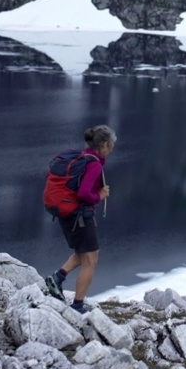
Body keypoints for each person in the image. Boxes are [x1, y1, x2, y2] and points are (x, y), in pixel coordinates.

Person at [45, 125, 116, 313]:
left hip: (67, 213)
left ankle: (57, 278)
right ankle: (77, 306)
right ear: (105, 144)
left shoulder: (81, 158)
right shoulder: (94, 164)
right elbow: (85, 193)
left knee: (82, 251)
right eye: (111, 146)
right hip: (81, 216)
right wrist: (99, 196)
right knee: (91, 260)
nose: (111, 150)